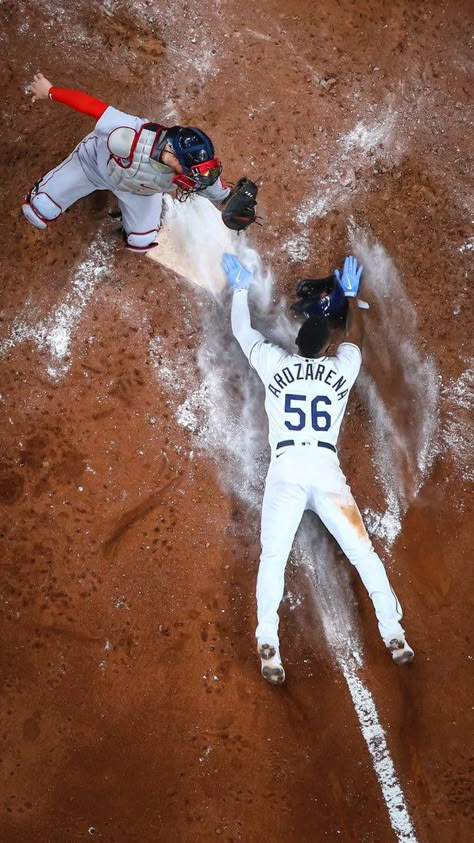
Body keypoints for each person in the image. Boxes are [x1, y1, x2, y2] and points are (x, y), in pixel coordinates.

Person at [221, 252, 414, 685]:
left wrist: (238, 288)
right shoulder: (341, 369)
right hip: (327, 473)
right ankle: (394, 633)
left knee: (274, 556)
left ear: (295, 347)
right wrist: (349, 294)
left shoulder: (277, 364)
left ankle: (268, 639)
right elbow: (356, 339)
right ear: (325, 347)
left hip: (287, 471)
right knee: (363, 554)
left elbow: (242, 331)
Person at [22, 72, 232, 253]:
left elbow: (219, 193)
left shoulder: (195, 170)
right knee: (39, 210)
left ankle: (126, 215)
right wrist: (50, 91)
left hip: (139, 192)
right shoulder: (131, 135)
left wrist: (229, 201)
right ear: (175, 156)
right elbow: (91, 106)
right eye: (189, 171)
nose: (193, 179)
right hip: (92, 167)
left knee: (140, 241)